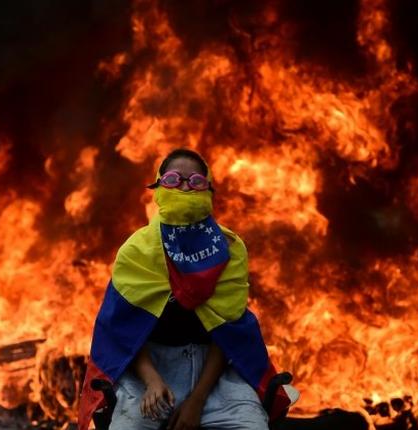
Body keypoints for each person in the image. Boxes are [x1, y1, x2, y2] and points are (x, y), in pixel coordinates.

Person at [78, 149, 292, 429]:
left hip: (213, 374)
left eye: (195, 181)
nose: (183, 186)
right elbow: (124, 329)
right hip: (150, 367)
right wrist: (152, 382)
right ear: (157, 187)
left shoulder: (230, 248)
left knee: (251, 425)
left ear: (208, 190)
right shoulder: (136, 250)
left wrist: (197, 400)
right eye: (172, 179)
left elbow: (226, 330)